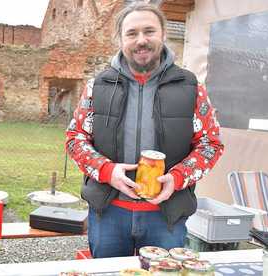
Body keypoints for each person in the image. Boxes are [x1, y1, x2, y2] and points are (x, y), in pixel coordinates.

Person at [66, 3, 223, 258]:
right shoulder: (98, 86)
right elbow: (75, 138)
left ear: (163, 34)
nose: (141, 40)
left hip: (166, 217)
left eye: (149, 31)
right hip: (108, 214)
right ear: (120, 39)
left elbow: (210, 143)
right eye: (132, 33)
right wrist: (107, 171)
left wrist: (178, 178)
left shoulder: (191, 87)